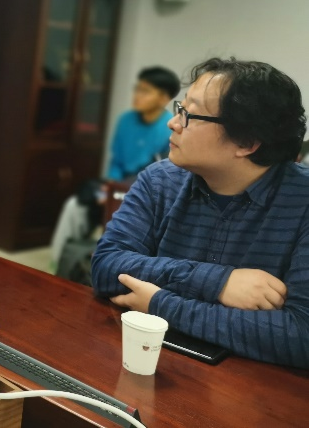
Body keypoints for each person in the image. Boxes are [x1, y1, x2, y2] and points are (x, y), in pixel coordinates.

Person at [92, 57, 309, 368]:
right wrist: (217, 282)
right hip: (148, 361)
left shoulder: (302, 201)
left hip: (250, 388)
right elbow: (105, 266)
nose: (173, 123)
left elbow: (301, 335)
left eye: (189, 114)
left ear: (246, 142)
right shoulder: (160, 180)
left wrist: (159, 304)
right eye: (180, 108)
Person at [50, 66, 181, 274]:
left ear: (163, 98)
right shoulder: (126, 120)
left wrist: (121, 191)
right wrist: (109, 187)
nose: (137, 95)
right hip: (116, 185)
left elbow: (162, 174)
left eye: (145, 91)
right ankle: (62, 264)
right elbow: (116, 162)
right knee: (74, 205)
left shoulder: (169, 128)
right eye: (137, 89)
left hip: (144, 192)